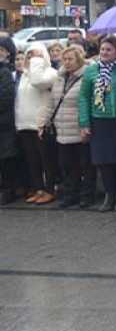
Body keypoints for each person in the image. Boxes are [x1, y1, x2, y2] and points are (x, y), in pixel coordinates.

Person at [80, 36, 116, 212]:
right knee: (103, 161)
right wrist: (84, 122)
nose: (104, 52)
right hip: (99, 120)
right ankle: (109, 194)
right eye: (103, 49)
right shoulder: (91, 71)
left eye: (109, 49)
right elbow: (84, 98)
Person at [37, 45, 90, 209]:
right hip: (62, 129)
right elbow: (52, 103)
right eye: (64, 59)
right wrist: (43, 123)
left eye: (70, 59)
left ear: (79, 60)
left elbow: (87, 103)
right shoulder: (59, 78)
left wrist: (86, 125)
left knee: (85, 165)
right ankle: (70, 194)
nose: (66, 63)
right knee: (67, 165)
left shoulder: (87, 76)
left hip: (78, 127)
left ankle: (86, 196)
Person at [17, 43, 58, 205]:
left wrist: (37, 60)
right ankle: (38, 188)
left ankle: (50, 189)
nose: (30, 59)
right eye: (28, 56)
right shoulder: (24, 76)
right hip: (25, 124)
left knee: (46, 160)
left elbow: (38, 82)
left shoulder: (50, 73)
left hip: (41, 125)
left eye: (34, 55)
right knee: (33, 160)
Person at [0, 37, 16, 206]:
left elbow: (5, 97)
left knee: (6, 159)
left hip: (4, 123)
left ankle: (8, 190)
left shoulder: (4, 72)